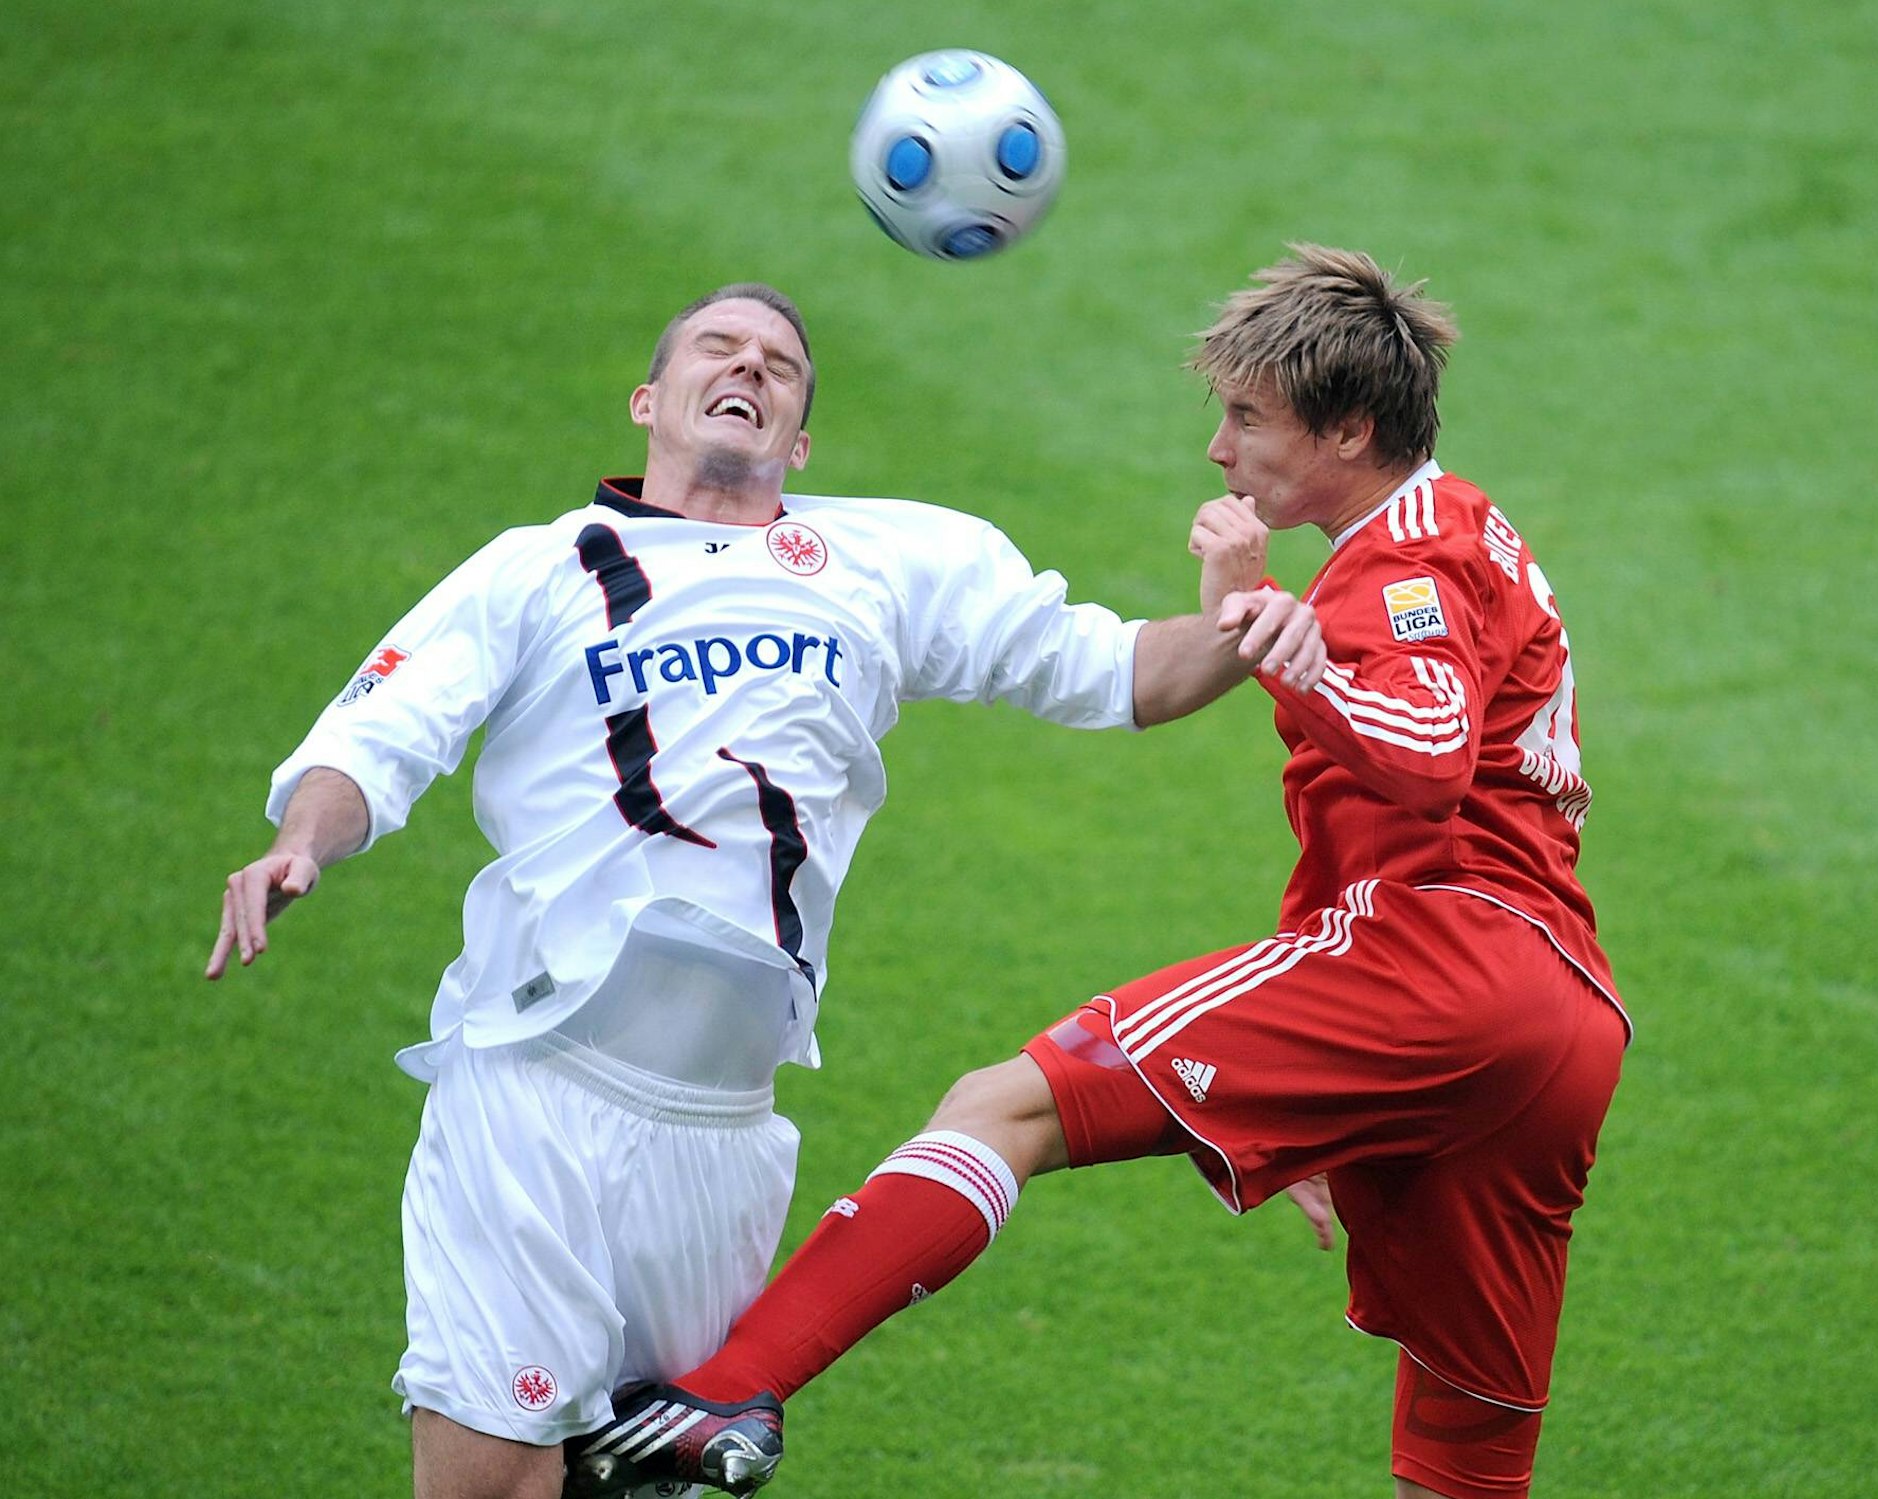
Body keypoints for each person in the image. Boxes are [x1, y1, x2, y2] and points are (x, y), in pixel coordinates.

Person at [203, 282, 1325, 1499]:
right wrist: (303, 840)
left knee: (636, 1485)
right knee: (487, 1479)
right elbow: (382, 730)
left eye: (780, 363)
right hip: (534, 1087)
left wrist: (1245, 614)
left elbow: (1120, 671)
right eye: (715, 348)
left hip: (723, 1133)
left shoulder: (892, 559)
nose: (749, 364)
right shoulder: (537, 571)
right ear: (648, 401)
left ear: (799, 441)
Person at [567, 248, 1628, 1499]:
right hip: (1560, 1027)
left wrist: (1296, 656)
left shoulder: (1405, 553)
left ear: (1348, 428)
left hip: (1444, 961)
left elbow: (1428, 762)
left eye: (1246, 418)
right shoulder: (1462, 529)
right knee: (1463, 1458)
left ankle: (724, 1393)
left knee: (1003, 1104)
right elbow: (1367, 831)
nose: (1219, 452)